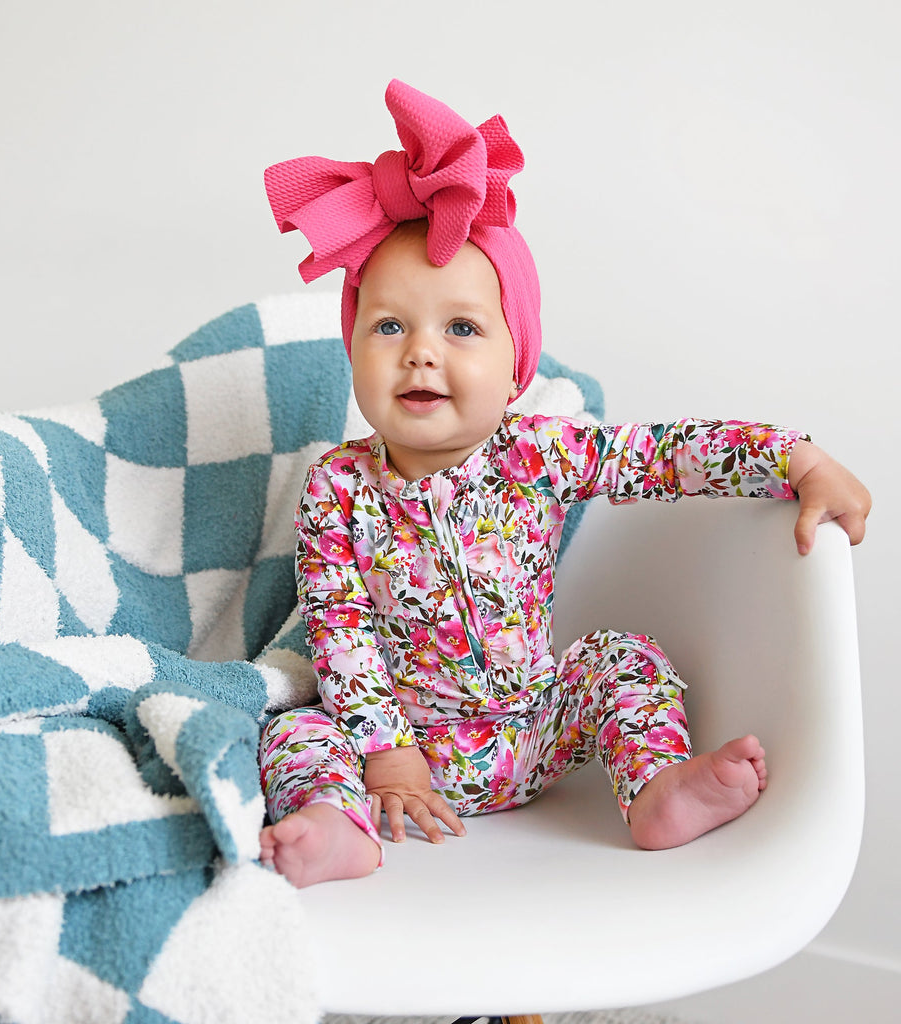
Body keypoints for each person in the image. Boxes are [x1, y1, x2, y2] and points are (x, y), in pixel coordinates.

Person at [257, 80, 871, 888]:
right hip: (402, 758)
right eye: (389, 326)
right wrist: (386, 752)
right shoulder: (340, 485)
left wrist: (791, 457)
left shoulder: (536, 452)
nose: (420, 352)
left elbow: (661, 455)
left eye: (462, 328)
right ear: (354, 351)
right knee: (290, 731)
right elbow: (339, 627)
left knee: (624, 656)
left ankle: (655, 788)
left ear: (515, 366)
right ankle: (340, 830)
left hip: (534, 730)